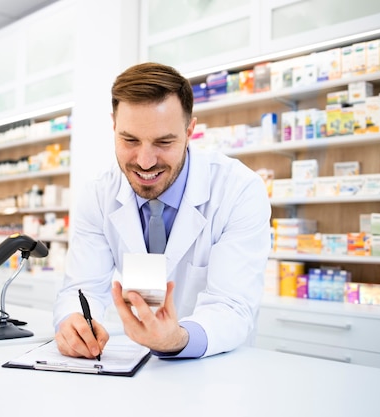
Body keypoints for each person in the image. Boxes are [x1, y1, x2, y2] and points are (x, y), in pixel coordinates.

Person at [53, 62, 271, 360]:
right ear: (113, 125)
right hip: (133, 366)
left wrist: (178, 338)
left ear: (190, 130)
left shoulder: (238, 190)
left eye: (164, 142)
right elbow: (83, 288)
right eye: (129, 140)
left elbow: (232, 306)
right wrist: (73, 323)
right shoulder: (98, 195)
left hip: (216, 367)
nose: (144, 161)